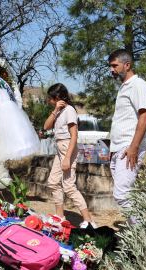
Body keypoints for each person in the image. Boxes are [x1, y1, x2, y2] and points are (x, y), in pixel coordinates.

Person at [44, 83, 96, 229]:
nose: (49, 101)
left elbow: (74, 136)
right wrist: (55, 109)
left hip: (68, 148)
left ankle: (89, 221)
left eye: (50, 98)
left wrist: (67, 158)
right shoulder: (60, 111)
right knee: (53, 182)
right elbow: (46, 126)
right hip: (60, 149)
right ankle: (60, 217)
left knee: (68, 187)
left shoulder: (70, 111)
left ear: (57, 97)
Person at [108, 49, 146, 226]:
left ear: (127, 65)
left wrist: (134, 147)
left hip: (129, 148)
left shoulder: (138, 85)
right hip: (118, 148)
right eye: (110, 66)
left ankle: (144, 233)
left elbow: (145, 116)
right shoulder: (124, 86)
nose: (111, 70)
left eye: (114, 66)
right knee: (126, 194)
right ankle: (137, 236)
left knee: (121, 194)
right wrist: (112, 150)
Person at [0, 83, 40, 161]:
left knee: (15, 128)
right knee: (8, 132)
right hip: (2, 110)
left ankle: (21, 146)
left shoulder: (1, 90)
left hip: (5, 109)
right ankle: (15, 149)